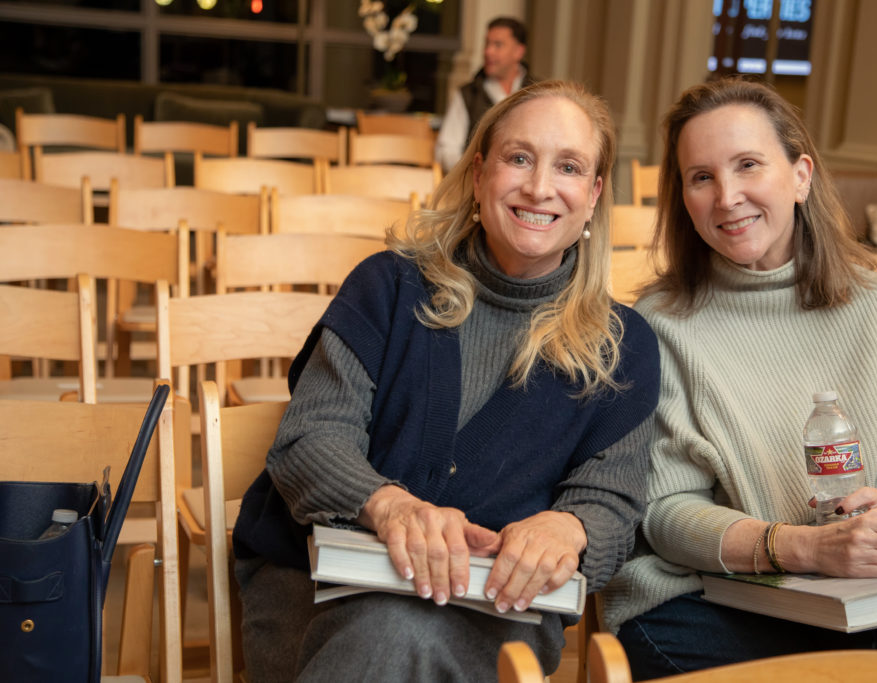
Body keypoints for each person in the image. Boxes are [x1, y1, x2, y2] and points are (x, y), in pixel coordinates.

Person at [232, 79, 660, 682]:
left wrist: (572, 526)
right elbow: (309, 442)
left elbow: (612, 502)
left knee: (406, 636)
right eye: (519, 158)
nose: (540, 187)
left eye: (568, 167)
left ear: (592, 196)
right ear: (481, 172)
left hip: (496, 604)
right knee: (391, 632)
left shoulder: (625, 344)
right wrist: (390, 505)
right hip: (322, 582)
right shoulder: (387, 286)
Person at [600, 76, 877, 679]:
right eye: (701, 177)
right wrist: (805, 548)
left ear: (801, 175)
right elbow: (665, 514)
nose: (727, 197)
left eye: (748, 165)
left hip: (853, 598)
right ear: (683, 198)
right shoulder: (658, 325)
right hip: (701, 599)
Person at [434, 16, 538, 173]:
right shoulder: (468, 94)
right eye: (487, 43)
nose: (488, 51)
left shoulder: (539, 92)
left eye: (498, 45)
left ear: (518, 51)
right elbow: (446, 150)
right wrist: (477, 174)